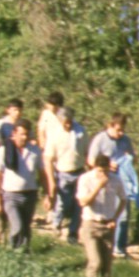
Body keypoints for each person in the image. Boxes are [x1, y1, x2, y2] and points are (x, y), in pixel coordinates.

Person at [85, 114, 139, 257]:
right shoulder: (100, 139)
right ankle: (108, 244)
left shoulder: (125, 140)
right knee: (108, 213)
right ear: (110, 126)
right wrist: (108, 165)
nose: (121, 133)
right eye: (118, 130)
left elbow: (133, 157)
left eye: (123, 130)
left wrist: (130, 159)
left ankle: (120, 248)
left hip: (121, 181)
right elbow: (91, 160)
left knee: (124, 212)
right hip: (104, 181)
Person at [75, 152, 127, 277]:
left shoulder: (115, 180)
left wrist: (115, 218)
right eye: (99, 171)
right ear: (94, 167)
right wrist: (98, 187)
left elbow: (123, 199)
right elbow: (83, 202)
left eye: (105, 171)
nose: (103, 174)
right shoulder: (85, 179)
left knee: (106, 266)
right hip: (91, 224)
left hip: (107, 225)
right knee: (95, 262)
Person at [40, 93, 84, 239]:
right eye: (65, 122)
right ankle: (56, 223)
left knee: (79, 204)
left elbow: (87, 151)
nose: (68, 125)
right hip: (63, 172)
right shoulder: (54, 134)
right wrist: (51, 181)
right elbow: (48, 158)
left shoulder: (80, 131)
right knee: (63, 202)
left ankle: (73, 232)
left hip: (79, 171)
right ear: (60, 121)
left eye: (70, 122)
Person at [0, 123, 45, 250]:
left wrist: (47, 193)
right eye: (21, 134)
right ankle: (12, 249)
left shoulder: (35, 150)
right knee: (17, 225)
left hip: (30, 194)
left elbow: (42, 172)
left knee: (26, 227)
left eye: (26, 134)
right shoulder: (4, 150)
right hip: (11, 195)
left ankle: (23, 254)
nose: (24, 137)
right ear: (14, 134)